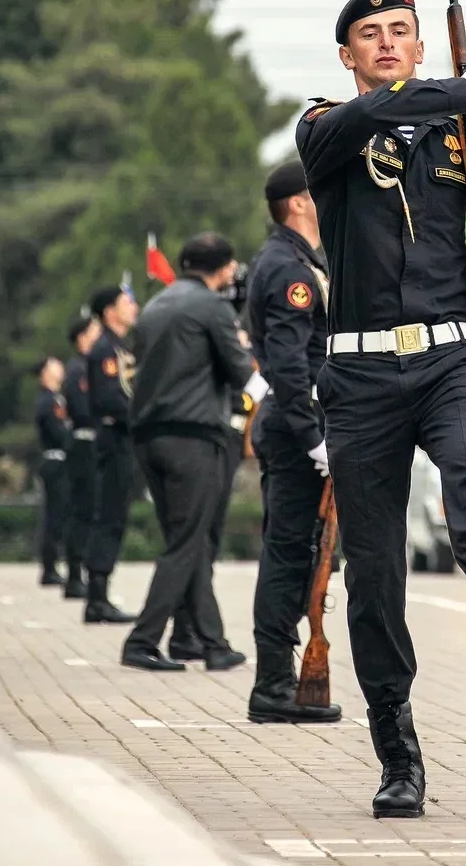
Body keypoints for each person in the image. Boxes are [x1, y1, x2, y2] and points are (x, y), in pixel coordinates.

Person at [296, 0, 466, 819]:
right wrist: (457, 91)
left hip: (450, 356)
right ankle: (397, 754)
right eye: (369, 33)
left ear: (419, 43)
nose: (386, 42)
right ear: (347, 55)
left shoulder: (462, 139)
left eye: (400, 30)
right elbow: (373, 114)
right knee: (375, 577)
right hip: (360, 376)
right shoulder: (326, 127)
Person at [122, 232, 268, 671]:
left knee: (187, 539)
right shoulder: (212, 307)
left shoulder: (155, 305)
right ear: (224, 268)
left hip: (148, 436)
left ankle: (202, 640)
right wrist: (289, 394)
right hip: (193, 437)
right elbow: (243, 374)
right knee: (189, 541)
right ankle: (142, 641)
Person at [245, 160, 341, 724]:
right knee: (287, 554)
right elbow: (287, 364)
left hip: (301, 424)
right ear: (299, 202)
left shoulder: (302, 260)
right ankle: (273, 686)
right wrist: (312, 439)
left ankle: (280, 681)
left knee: (307, 552)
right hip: (295, 428)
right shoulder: (288, 268)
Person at [84, 283, 140, 624]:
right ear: (109, 312)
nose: (134, 307)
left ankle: (100, 594)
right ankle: (96, 598)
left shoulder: (121, 346)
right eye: (126, 302)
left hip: (124, 437)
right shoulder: (104, 349)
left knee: (116, 515)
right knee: (108, 516)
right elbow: (109, 399)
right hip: (113, 436)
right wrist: (141, 416)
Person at [61, 314, 102, 600]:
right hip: (84, 443)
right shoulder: (79, 370)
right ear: (82, 337)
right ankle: (75, 574)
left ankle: (80, 572)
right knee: (83, 511)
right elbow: (82, 409)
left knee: (90, 510)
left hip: (93, 444)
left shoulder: (88, 366)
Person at [33, 356, 72, 587]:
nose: (61, 368)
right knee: (54, 516)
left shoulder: (57, 398)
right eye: (55, 365)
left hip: (60, 461)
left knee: (60, 514)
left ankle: (52, 564)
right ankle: (49, 567)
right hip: (55, 460)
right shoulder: (48, 401)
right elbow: (58, 431)